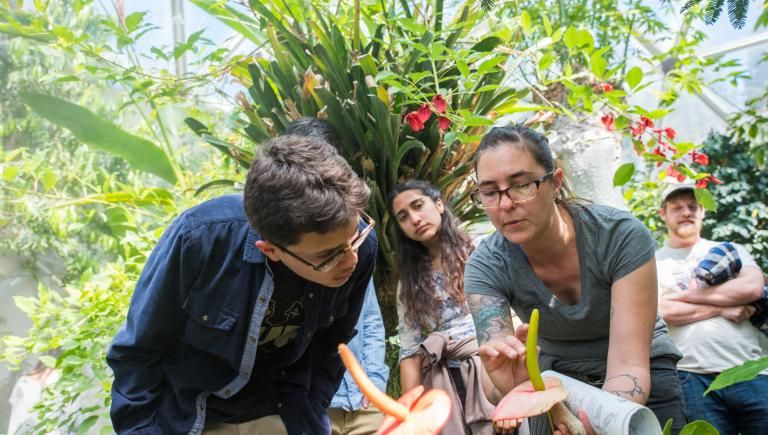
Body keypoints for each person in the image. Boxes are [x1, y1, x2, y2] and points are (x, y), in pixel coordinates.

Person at [107, 134, 378, 435]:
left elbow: (332, 345)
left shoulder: (361, 244)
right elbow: (139, 349)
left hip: (287, 412)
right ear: (270, 249)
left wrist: (311, 409)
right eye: (327, 256)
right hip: (197, 415)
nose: (350, 259)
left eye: (354, 238)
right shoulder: (201, 239)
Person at [463, 124, 686, 434]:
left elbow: (629, 364)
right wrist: (514, 386)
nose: (505, 204)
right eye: (489, 192)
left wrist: (603, 420)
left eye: (522, 185)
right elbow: (498, 376)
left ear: (555, 182)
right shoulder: (486, 266)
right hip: (553, 376)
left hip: (638, 370)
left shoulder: (619, 237)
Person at [389, 180, 502, 435]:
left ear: (438, 204)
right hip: (445, 384)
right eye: (403, 217)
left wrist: (512, 393)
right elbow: (410, 351)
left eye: (419, 206)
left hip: (495, 367)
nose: (415, 219)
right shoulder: (409, 283)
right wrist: (413, 418)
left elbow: (512, 315)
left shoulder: (480, 250)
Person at [656, 181, 768, 435]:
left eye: (693, 206)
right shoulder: (652, 262)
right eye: (677, 207)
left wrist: (681, 298)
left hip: (752, 370)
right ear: (663, 214)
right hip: (691, 377)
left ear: (703, 212)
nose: (686, 212)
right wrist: (722, 307)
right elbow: (660, 311)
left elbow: (752, 289)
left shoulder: (730, 250)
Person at [326, 282, 389, 435]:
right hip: (317, 405)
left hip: (363, 401)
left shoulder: (361, 261)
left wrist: (374, 384)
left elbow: (371, 321)